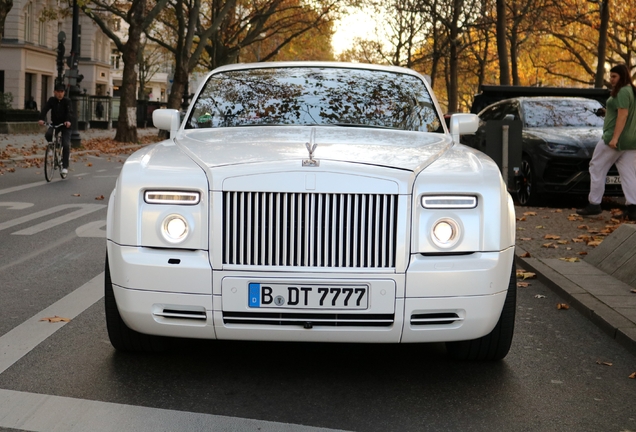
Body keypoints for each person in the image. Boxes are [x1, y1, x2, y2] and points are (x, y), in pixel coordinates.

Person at [577, 64, 636, 220]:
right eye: (610, 76)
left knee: (596, 167)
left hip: (614, 139)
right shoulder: (632, 91)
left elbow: (623, 116)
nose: (611, 80)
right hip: (631, 141)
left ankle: (594, 204)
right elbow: (622, 113)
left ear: (623, 76)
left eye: (614, 76)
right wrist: (606, 112)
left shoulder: (623, 91)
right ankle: (633, 208)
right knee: (628, 174)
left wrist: (615, 138)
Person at [38, 84, 74, 176]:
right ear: (54, 92)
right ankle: (54, 147)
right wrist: (42, 119)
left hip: (65, 125)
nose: (59, 94)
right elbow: (45, 109)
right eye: (57, 92)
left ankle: (65, 166)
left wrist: (67, 121)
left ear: (64, 93)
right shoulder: (52, 100)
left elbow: (69, 112)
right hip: (55, 124)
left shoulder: (67, 101)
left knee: (66, 144)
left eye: (61, 92)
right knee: (48, 135)